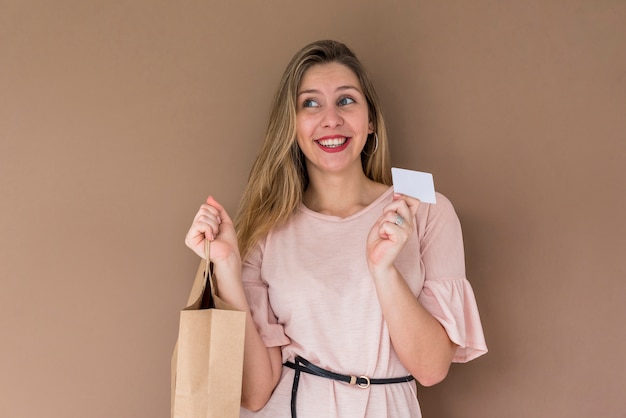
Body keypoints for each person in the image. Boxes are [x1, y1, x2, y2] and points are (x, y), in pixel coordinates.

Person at [184, 40, 487, 418]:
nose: (331, 119)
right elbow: (256, 393)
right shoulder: (266, 228)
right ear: (292, 127)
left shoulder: (425, 211)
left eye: (346, 100)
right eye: (310, 103)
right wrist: (227, 266)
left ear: (371, 120)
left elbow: (431, 369)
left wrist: (383, 269)